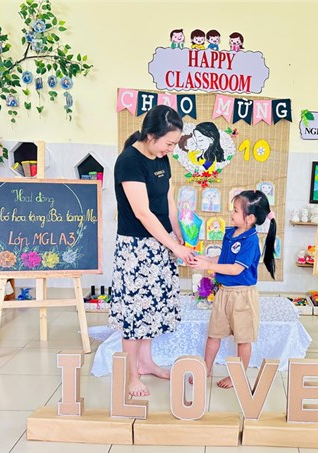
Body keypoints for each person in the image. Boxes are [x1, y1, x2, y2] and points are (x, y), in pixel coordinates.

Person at [109, 105, 195, 397]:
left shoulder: (162, 157)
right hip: (136, 249)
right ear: (150, 135)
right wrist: (174, 247)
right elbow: (143, 213)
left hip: (161, 242)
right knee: (135, 311)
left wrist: (178, 234)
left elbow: (168, 200)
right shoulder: (128, 162)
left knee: (152, 308)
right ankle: (131, 374)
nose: (170, 149)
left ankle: (146, 363)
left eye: (174, 144)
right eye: (168, 143)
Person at [191, 190, 277, 388]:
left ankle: (237, 376)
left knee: (243, 340)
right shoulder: (230, 233)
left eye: (236, 210)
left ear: (250, 218)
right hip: (224, 292)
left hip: (242, 296)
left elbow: (235, 268)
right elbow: (224, 259)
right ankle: (206, 369)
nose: (231, 213)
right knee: (213, 334)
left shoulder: (251, 241)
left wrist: (208, 266)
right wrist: (204, 259)